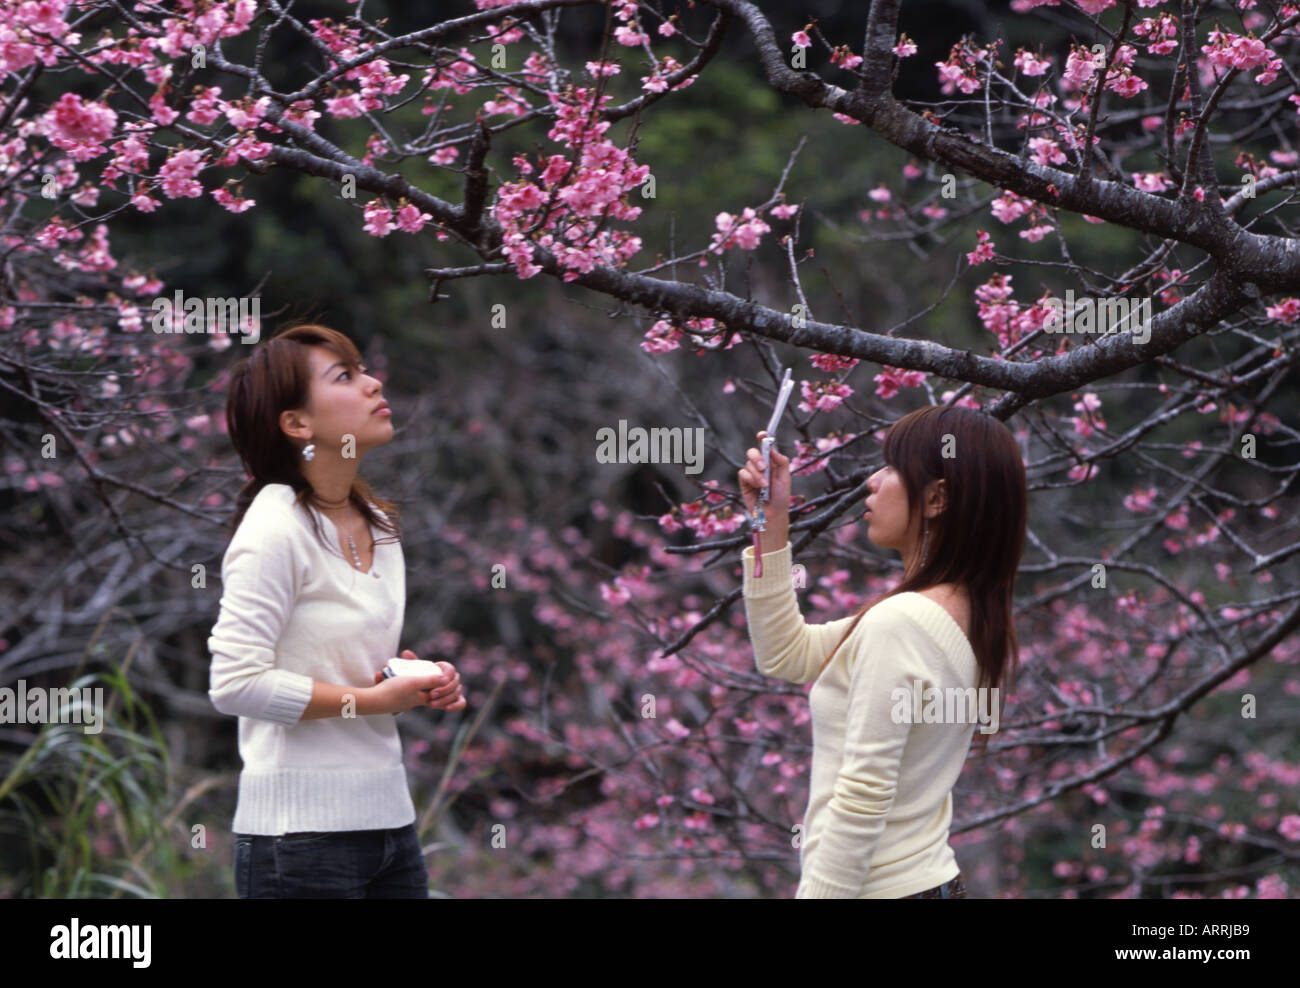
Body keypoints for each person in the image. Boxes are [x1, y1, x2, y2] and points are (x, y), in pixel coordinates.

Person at [208, 323, 466, 898]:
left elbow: (348, 670)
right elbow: (233, 684)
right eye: (345, 376)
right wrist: (372, 700)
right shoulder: (275, 526)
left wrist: (416, 680)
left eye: (363, 369)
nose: (374, 384)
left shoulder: (379, 525)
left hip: (390, 828)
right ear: (297, 424)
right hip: (297, 843)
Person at [737, 403, 1027, 898]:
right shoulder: (957, 613)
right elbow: (786, 653)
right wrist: (770, 524)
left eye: (892, 467)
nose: (872, 481)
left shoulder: (903, 623)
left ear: (937, 498)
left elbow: (865, 790)